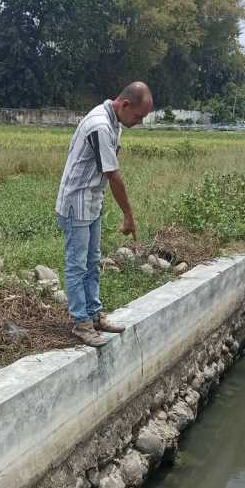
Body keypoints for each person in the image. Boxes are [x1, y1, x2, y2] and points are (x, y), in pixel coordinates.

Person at [55, 82, 154, 347]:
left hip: (92, 202)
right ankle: (81, 323)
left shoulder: (114, 123)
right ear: (125, 105)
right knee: (77, 265)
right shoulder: (99, 125)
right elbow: (113, 175)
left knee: (92, 261)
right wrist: (129, 216)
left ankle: (94, 314)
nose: (139, 122)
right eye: (138, 116)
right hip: (77, 203)